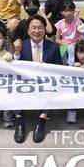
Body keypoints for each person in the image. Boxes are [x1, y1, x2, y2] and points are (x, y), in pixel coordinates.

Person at [12, 15, 63, 144]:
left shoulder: (53, 47)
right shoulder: (20, 45)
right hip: (25, 83)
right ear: (28, 31)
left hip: (45, 84)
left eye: (40, 28)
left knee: (52, 88)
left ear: (45, 30)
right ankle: (19, 122)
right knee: (14, 86)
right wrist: (17, 53)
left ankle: (41, 121)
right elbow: (13, 68)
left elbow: (60, 69)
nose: (36, 31)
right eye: (33, 28)